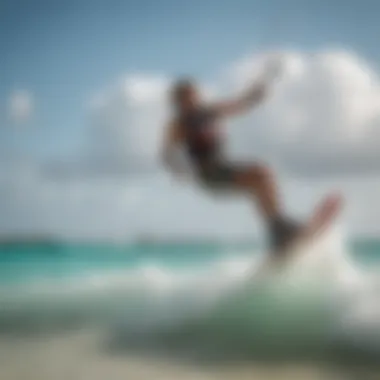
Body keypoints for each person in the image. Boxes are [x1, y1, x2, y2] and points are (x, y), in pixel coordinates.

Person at [161, 70, 302, 253]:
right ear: (179, 101)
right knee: (260, 175)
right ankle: (280, 231)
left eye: (194, 94)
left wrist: (256, 95)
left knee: (261, 181)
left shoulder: (208, 112)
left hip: (222, 168)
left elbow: (239, 104)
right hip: (209, 175)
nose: (193, 99)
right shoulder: (178, 124)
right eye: (188, 96)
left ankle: (279, 232)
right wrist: (179, 171)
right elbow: (166, 153)